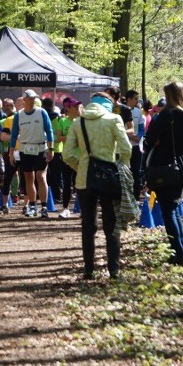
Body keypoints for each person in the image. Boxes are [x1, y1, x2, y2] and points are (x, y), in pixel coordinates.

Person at [64, 92, 131, 280]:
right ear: (108, 105)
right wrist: (122, 168)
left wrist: (81, 167)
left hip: (85, 180)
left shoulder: (78, 122)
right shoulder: (113, 119)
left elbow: (67, 154)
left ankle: (88, 269)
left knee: (88, 225)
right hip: (109, 178)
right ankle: (114, 271)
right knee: (111, 225)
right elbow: (126, 149)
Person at [143, 81, 183, 266]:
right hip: (182, 163)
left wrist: (159, 141)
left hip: (164, 164)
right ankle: (180, 249)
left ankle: (178, 252)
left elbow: (149, 139)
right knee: (174, 207)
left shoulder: (165, 116)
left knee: (168, 210)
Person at [9, 89, 55, 218]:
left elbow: (49, 131)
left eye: (34, 98)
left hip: (40, 149)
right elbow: (13, 136)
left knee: (41, 176)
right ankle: (33, 205)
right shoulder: (19, 115)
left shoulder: (42, 112)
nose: (33, 100)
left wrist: (51, 149)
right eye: (30, 98)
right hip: (25, 150)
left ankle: (44, 206)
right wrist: (11, 154)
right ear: (24, 100)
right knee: (29, 178)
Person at [56, 98, 81, 218]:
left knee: (81, 184)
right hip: (67, 156)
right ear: (68, 108)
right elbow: (59, 138)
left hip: (81, 157)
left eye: (78, 106)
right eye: (75, 106)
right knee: (67, 183)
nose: (77, 108)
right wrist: (72, 137)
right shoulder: (62, 121)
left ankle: (83, 209)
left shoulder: (82, 121)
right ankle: (65, 209)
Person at [0, 98, 17, 214]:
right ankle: (5, 204)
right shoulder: (4, 120)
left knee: (24, 176)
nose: (5, 107)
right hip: (7, 150)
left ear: (13, 106)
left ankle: (25, 201)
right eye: (4, 105)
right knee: (7, 176)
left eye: (8, 105)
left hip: (20, 150)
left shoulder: (15, 117)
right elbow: (3, 136)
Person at [42, 98, 62, 207]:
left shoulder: (42, 116)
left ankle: (44, 195)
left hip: (43, 147)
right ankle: (56, 195)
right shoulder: (58, 118)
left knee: (44, 173)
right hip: (57, 148)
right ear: (52, 105)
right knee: (56, 174)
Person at [125, 90, 144, 200]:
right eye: (135, 98)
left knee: (136, 172)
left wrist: (139, 136)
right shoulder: (120, 111)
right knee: (126, 171)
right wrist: (130, 137)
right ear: (129, 99)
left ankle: (136, 197)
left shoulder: (138, 112)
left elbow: (142, 128)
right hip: (124, 146)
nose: (137, 100)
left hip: (136, 146)